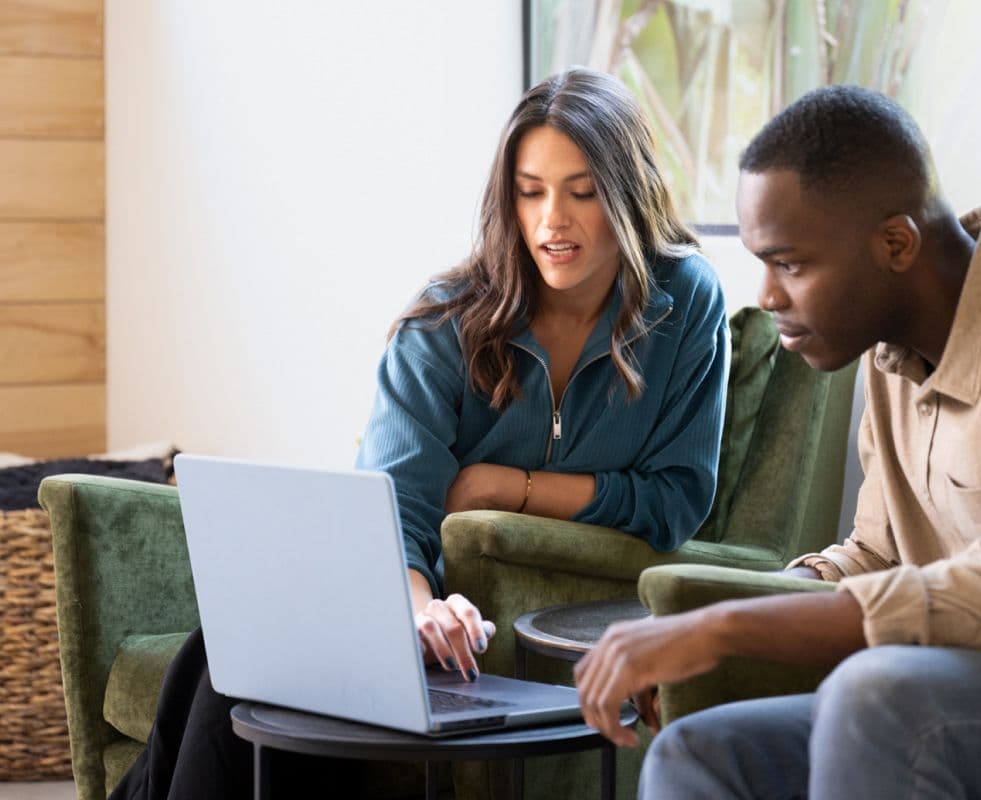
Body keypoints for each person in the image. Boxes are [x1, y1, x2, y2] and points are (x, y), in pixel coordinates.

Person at [111, 67, 729, 800]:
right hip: (401, 600)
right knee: (223, 661)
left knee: (223, 672)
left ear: (626, 191)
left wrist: (511, 487)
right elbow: (399, 509)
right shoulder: (446, 320)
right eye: (530, 191)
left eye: (583, 191)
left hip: (543, 618)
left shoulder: (684, 301)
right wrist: (420, 611)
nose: (551, 222)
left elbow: (677, 499)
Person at [575, 84, 981, 799]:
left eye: (791, 263)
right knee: (703, 751)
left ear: (896, 242)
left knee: (877, 697)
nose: (767, 297)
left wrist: (724, 629)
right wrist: (743, 614)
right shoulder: (890, 353)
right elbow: (875, 554)